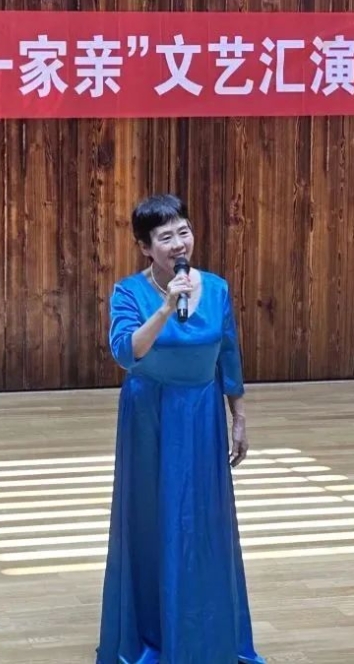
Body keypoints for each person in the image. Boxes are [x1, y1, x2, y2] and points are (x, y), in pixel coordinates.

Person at [94, 194, 265, 664]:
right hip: (150, 415)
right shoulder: (129, 292)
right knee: (154, 519)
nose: (178, 243)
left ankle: (205, 631)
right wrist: (167, 306)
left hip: (201, 413)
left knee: (202, 521)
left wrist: (239, 415)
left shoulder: (218, 288)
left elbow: (228, 353)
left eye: (183, 232)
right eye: (165, 237)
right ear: (145, 248)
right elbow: (127, 352)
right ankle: (153, 632)